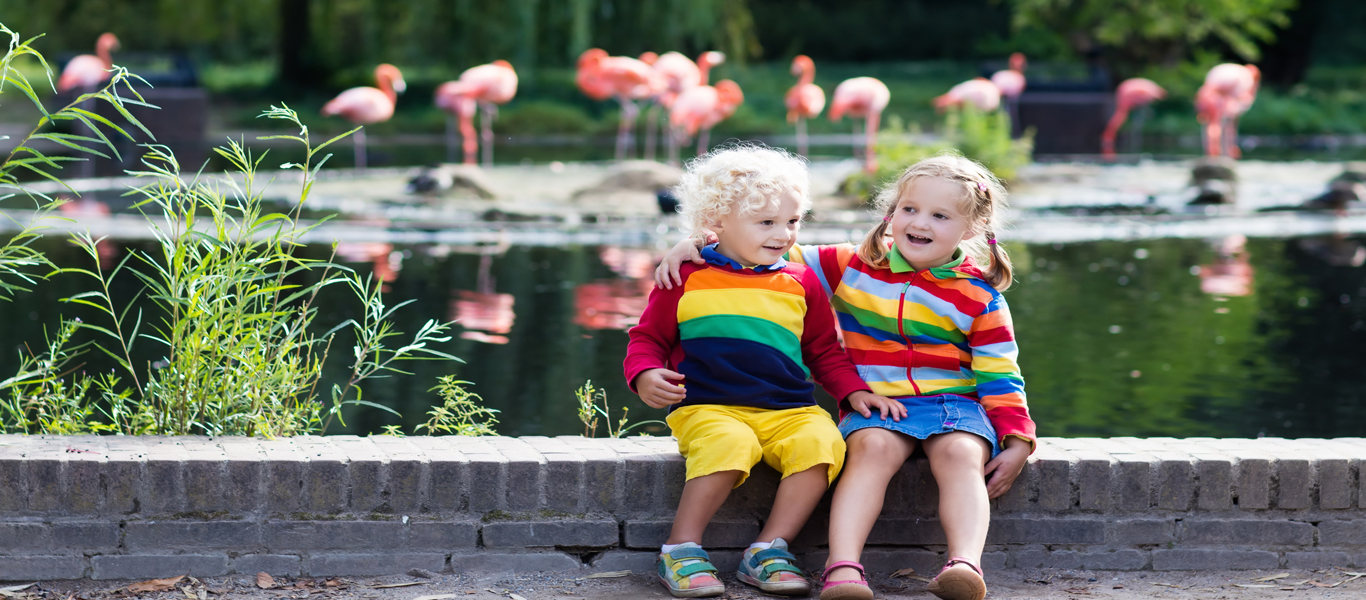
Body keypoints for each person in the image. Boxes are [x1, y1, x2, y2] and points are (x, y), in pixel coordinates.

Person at [655, 152, 1036, 600]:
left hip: (954, 404)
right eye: (909, 210)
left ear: (970, 230)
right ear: (891, 214)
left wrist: (1017, 440)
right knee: (870, 448)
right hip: (876, 403)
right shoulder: (852, 264)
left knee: (960, 455)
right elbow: (761, 245)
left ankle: (964, 565)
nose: (920, 223)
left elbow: (1000, 375)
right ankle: (844, 569)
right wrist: (698, 244)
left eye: (940, 215)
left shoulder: (980, 296)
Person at [625, 145, 892, 598]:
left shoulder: (800, 279)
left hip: (787, 407)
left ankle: (768, 548)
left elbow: (823, 349)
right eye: (766, 222)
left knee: (822, 442)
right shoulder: (687, 274)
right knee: (731, 443)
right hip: (708, 406)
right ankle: (680, 547)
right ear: (718, 220)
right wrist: (646, 373)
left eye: (792, 221)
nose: (783, 234)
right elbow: (647, 338)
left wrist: (851, 391)